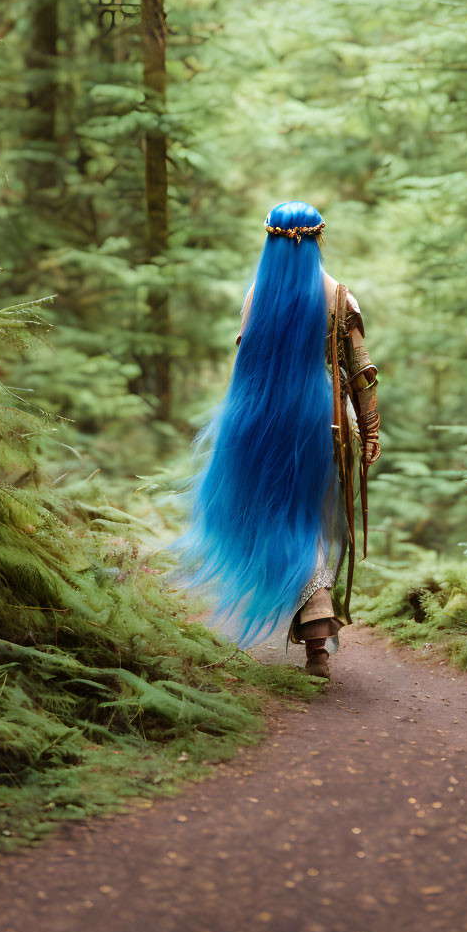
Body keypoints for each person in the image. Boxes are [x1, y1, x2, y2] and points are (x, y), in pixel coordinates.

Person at [175, 201, 380, 679]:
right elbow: (361, 373)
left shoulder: (256, 296)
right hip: (322, 421)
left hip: (261, 421)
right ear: (317, 241)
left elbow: (243, 370)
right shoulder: (339, 297)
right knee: (309, 520)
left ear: (270, 240)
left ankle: (313, 620)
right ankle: (317, 632)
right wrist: (369, 428)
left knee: (280, 516)